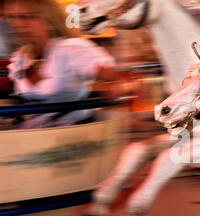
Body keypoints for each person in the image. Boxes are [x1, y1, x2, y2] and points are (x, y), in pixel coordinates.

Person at [3, 0, 139, 128]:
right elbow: (9, 87)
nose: (19, 24)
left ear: (49, 21)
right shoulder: (21, 57)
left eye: (29, 17)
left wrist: (120, 88)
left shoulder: (70, 49)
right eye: (15, 18)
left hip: (72, 135)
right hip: (33, 134)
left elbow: (122, 79)